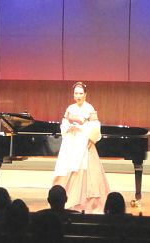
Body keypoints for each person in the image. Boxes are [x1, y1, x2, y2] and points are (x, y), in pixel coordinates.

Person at [52, 81, 109, 214]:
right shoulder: (70, 108)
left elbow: (95, 126)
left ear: (85, 94)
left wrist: (83, 128)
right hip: (71, 143)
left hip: (84, 144)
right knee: (67, 169)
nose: (78, 96)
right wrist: (68, 127)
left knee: (86, 172)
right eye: (76, 93)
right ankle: (66, 200)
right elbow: (64, 123)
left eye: (80, 93)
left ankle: (85, 204)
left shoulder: (89, 108)